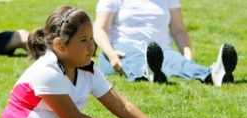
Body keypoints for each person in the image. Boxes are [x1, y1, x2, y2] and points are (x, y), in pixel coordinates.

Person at [0, 5, 185, 118]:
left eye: (91, 39)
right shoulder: (46, 71)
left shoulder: (88, 70)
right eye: (83, 40)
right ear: (60, 45)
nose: (91, 46)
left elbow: (122, 106)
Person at [93, 0, 238, 87]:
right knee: (134, 59)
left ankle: (213, 75)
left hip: (160, 50)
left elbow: (179, 30)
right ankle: (146, 71)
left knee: (176, 62)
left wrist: (186, 58)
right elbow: (100, 27)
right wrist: (110, 53)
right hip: (121, 47)